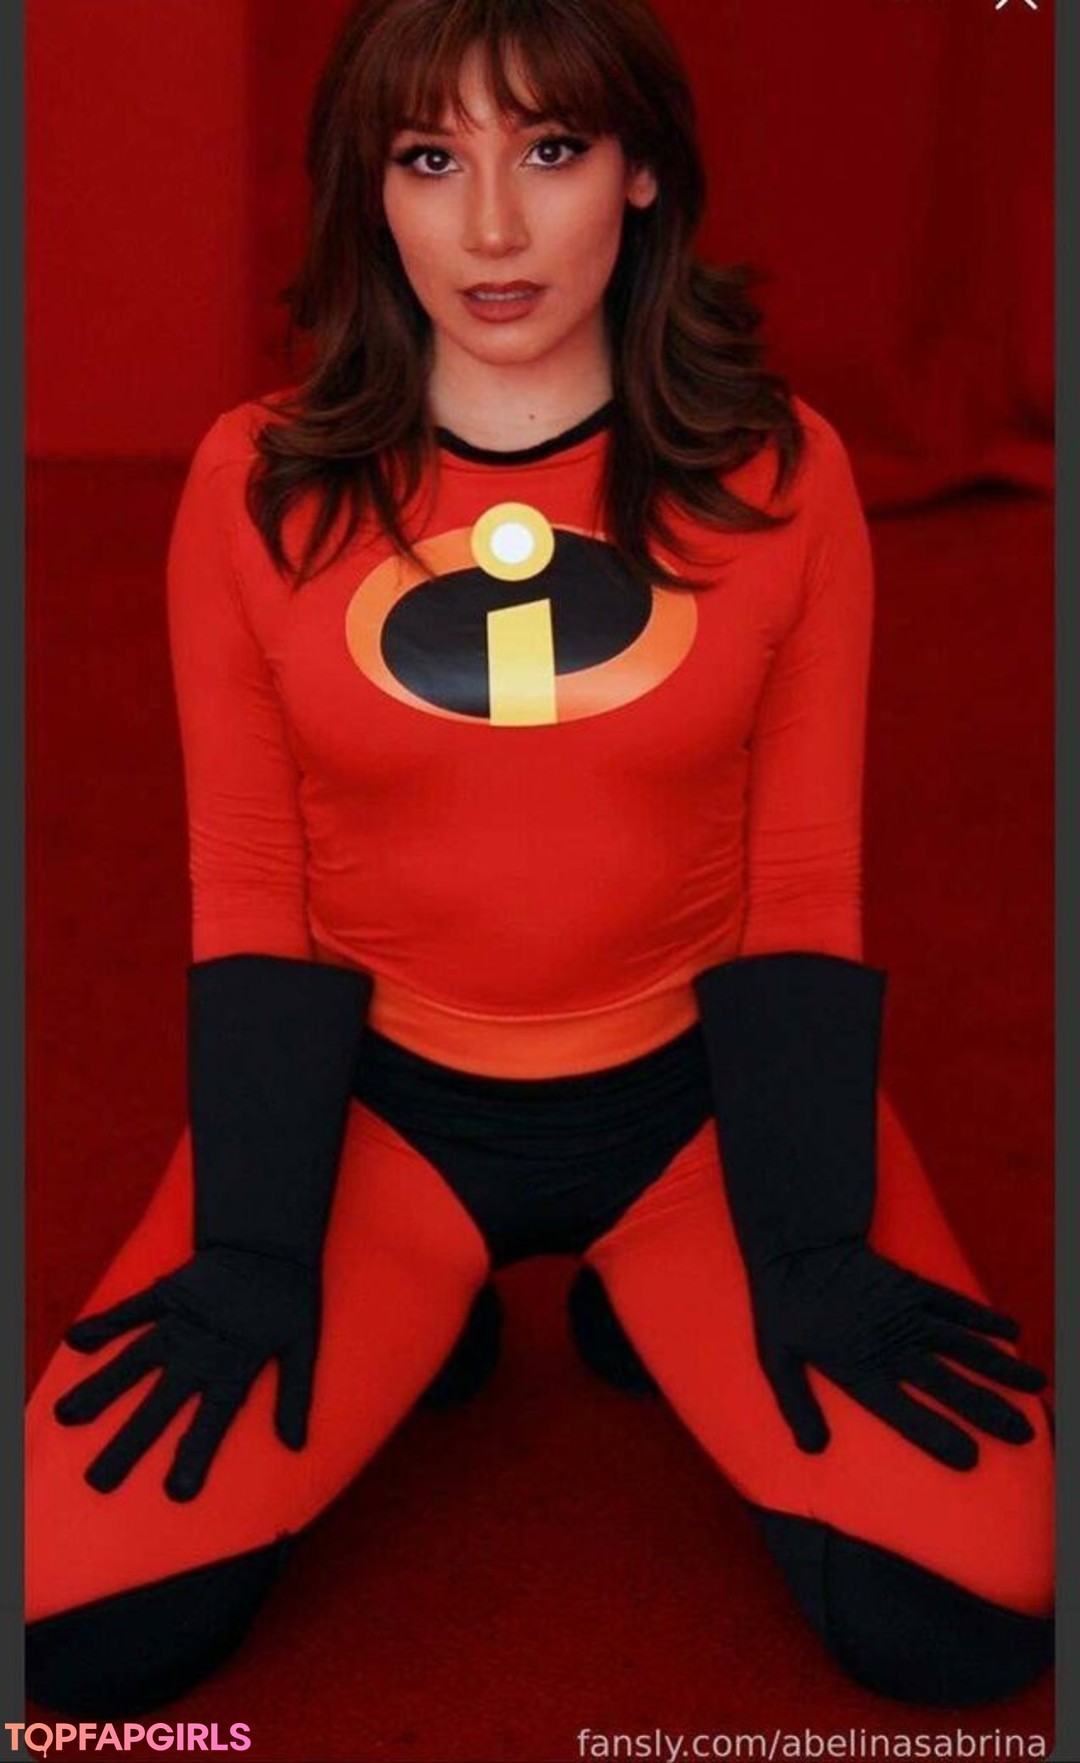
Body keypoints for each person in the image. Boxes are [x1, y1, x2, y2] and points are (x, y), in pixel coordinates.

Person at [26, 0, 1054, 1721]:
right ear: (370, 189)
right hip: (379, 1116)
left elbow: (805, 878)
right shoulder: (256, 482)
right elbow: (247, 878)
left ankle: (646, 1307)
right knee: (63, 1628)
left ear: (642, 172)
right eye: (433, 159)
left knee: (961, 1619)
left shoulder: (783, 473)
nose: (493, 228)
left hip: (697, 1112)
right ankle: (429, 1317)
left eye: (552, 150)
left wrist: (808, 1234)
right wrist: (259, 1243)